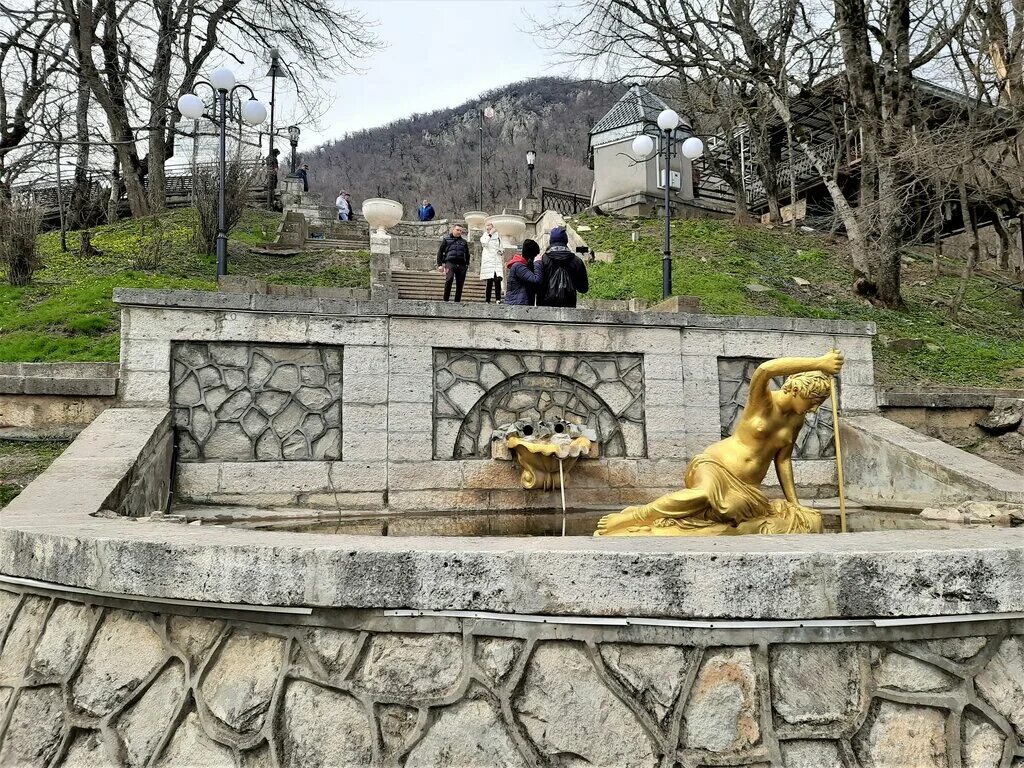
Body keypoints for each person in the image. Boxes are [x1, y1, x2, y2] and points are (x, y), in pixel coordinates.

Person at [595, 351, 845, 537]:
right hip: (715, 466)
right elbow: (765, 370)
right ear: (796, 390)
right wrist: (818, 363)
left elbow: (783, 459)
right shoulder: (764, 402)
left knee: (728, 516)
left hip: (747, 490)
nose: (814, 409)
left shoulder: (796, 420)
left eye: (819, 403)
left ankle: (662, 524)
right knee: (704, 495)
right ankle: (633, 517)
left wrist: (794, 503)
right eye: (813, 400)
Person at [536, 226, 589, 308]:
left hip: (545, 306)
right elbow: (583, 288)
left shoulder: (542, 259)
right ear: (566, 241)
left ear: (551, 241)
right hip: (569, 306)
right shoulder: (577, 261)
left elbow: (537, 284)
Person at [436, 224, 471, 302]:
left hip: (462, 265)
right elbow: (440, 252)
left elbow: (467, 254)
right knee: (449, 279)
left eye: (460, 231)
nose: (459, 232)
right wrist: (440, 265)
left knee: (460, 284)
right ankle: (445, 300)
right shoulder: (446, 239)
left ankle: (457, 302)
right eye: (457, 230)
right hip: (450, 263)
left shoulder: (464, 242)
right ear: (453, 230)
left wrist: (467, 265)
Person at [505, 238, 542, 306]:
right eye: (535, 255)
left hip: (519, 303)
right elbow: (536, 279)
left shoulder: (522, 265)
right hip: (517, 305)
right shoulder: (519, 266)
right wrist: (538, 262)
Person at [478, 222, 503, 303]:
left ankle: (498, 299)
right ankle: (487, 300)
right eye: (487, 229)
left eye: (490, 229)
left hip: (496, 261)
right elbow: (484, 243)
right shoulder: (484, 237)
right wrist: (490, 234)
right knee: (489, 281)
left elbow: (501, 247)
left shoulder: (498, 237)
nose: (489, 230)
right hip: (488, 262)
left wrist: (501, 251)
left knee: (497, 280)